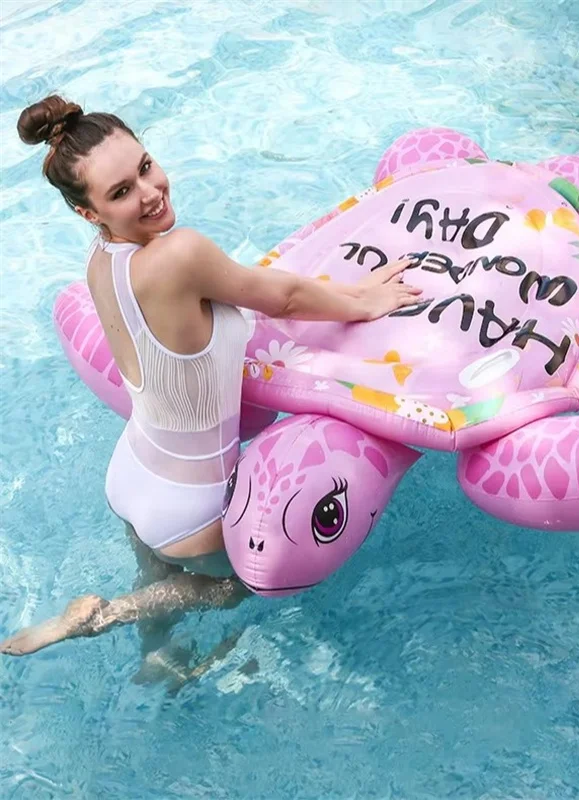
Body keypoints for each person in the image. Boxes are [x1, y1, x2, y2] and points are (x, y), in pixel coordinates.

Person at [1, 95, 421, 658]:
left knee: (159, 584)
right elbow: (287, 298)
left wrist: (351, 289)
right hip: (191, 501)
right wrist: (366, 302)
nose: (150, 193)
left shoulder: (102, 260)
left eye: (145, 168)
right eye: (122, 192)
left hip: (130, 474)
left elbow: (254, 288)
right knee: (236, 587)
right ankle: (102, 617)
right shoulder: (181, 254)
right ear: (89, 212)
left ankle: (159, 658)